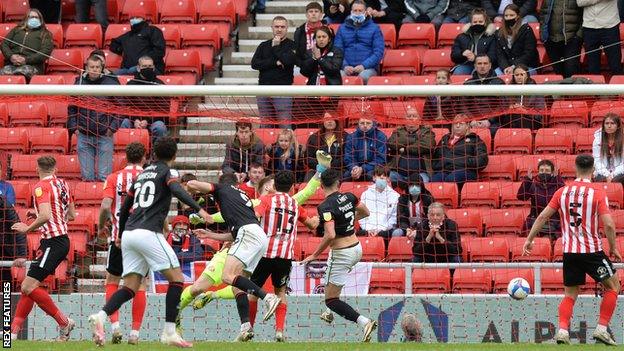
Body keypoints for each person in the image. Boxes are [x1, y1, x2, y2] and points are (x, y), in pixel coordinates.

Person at [178, 151, 332, 340]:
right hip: (263, 251)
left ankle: (246, 326)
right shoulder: (274, 202)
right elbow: (309, 208)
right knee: (209, 288)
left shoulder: (270, 201)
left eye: (270, 185)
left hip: (255, 249)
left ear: (274, 187)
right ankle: (276, 330)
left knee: (242, 287)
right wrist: (208, 226)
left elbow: (252, 213)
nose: (269, 188)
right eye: (266, 186)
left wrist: (204, 218)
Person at [88, 137, 213, 347]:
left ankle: (100, 316)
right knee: (177, 279)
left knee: (130, 286)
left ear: (153, 153)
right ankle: (169, 332)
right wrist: (200, 210)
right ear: (174, 155)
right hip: (148, 232)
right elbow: (177, 190)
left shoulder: (143, 174)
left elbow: (126, 204)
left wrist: (119, 234)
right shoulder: (168, 172)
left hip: (128, 233)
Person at [523, 154, 622, 346]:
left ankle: (562, 332)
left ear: (575, 169)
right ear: (593, 170)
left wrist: (529, 239)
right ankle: (602, 328)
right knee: (613, 286)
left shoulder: (562, 191)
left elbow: (543, 216)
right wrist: (613, 247)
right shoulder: (598, 192)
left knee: (570, 294)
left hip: (569, 251)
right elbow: (609, 225)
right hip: (592, 252)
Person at [177, 173, 282, 342]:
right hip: (258, 237)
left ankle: (267, 297)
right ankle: (245, 327)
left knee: (227, 276)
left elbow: (194, 184)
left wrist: (185, 188)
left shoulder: (222, 189)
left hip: (247, 235)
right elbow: (234, 234)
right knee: (237, 284)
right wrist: (210, 234)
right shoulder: (242, 198)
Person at [301, 169, 377, 342]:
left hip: (342, 253)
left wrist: (314, 255)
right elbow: (365, 212)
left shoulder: (324, 207)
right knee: (331, 274)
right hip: (357, 248)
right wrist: (347, 221)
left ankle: (364, 322)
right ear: (338, 183)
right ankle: (328, 313)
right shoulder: (350, 196)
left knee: (331, 299)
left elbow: (330, 235)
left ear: (321, 186)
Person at [10, 156, 76, 341]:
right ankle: (13, 333)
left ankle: (64, 323)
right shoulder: (63, 184)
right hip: (57, 240)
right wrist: (38, 213)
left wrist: (27, 228)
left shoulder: (40, 187)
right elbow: (71, 215)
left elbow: (47, 215)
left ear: (36, 169)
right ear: (55, 169)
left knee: (28, 286)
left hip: (53, 241)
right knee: (28, 288)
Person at [98, 142, 147, 345]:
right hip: (144, 237)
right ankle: (134, 334)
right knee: (141, 284)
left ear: (125, 157)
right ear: (144, 157)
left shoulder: (113, 177)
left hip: (119, 238)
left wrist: (102, 225)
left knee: (112, 281)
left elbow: (105, 206)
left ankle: (115, 327)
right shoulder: (150, 176)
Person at [67, 54, 120, 181]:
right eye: (92, 67)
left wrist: (111, 129)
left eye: (97, 67)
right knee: (87, 177)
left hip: (104, 135)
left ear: (102, 68)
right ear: (86, 67)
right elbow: (72, 108)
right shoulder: (79, 83)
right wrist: (75, 128)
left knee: (104, 177)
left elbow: (120, 109)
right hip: (84, 135)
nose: (94, 69)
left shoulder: (111, 83)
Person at [251, 16, 297, 127]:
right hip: (263, 90)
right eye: (276, 26)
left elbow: (287, 61)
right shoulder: (263, 45)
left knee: (285, 126)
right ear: (272, 27)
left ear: (287, 28)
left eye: (282, 27)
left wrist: (276, 47)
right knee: (266, 125)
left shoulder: (293, 45)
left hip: (283, 90)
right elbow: (255, 64)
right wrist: (275, 63)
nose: (279, 29)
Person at [334, 0, 385, 84]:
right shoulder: (342, 28)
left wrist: (364, 66)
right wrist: (345, 66)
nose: (357, 13)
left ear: (365, 12)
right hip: (346, 68)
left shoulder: (375, 28)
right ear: (351, 12)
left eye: (360, 11)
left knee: (363, 76)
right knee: (337, 76)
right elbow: (337, 51)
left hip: (368, 68)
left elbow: (378, 52)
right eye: (355, 11)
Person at [121, 56, 168, 142]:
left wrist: (148, 121)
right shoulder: (130, 85)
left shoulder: (160, 85)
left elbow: (163, 109)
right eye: (144, 66)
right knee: (124, 123)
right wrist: (135, 119)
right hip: (133, 120)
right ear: (138, 68)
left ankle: (156, 154)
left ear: (153, 68)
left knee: (160, 127)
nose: (148, 68)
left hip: (154, 120)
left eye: (150, 66)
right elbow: (125, 106)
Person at [432, 114, 489, 183]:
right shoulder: (445, 139)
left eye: (461, 124)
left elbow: (482, 160)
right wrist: (441, 165)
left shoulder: (475, 140)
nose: (457, 126)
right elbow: (435, 157)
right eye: (455, 123)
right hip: (446, 170)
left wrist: (457, 162)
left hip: (466, 171)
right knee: (434, 180)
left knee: (451, 178)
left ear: (467, 126)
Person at [517, 159, 565, 240]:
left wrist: (558, 179)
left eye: (547, 170)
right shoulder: (533, 184)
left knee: (547, 240)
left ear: (552, 172)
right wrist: (527, 180)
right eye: (541, 170)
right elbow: (521, 196)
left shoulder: (556, 184)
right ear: (538, 171)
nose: (544, 172)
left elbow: (564, 196)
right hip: (534, 220)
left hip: (553, 221)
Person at [0, 9, 53, 80]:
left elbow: (45, 52)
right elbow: (4, 43)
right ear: (26, 19)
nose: (34, 19)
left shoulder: (45, 34)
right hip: (11, 64)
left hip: (32, 67)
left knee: (19, 74)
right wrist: (11, 56)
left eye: (36, 17)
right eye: (31, 17)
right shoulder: (16, 30)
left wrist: (26, 60)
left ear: (40, 19)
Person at [387, 108, 436, 183]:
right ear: (404, 119)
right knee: (383, 181)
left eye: (414, 116)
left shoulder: (427, 132)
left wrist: (405, 149)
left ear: (419, 119)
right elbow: (391, 143)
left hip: (421, 174)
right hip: (397, 174)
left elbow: (427, 145)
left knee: (423, 185)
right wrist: (414, 139)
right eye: (409, 116)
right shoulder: (398, 131)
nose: (411, 118)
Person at [539, 0, 582, 78]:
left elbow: (584, 16)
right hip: (551, 40)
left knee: (571, 71)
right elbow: (543, 14)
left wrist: (578, 36)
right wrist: (543, 34)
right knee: (558, 73)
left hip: (571, 40)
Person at [357, 166, 402, 241]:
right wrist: (368, 229)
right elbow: (361, 216)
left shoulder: (395, 196)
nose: (381, 178)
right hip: (366, 230)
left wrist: (380, 230)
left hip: (385, 231)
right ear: (374, 177)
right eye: (379, 175)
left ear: (388, 179)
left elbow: (393, 219)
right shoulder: (365, 194)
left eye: (384, 176)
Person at [578, 0, 621, 75]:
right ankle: (595, 86)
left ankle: (618, 86)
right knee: (592, 67)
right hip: (589, 27)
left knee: (615, 65)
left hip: (610, 26)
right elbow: (580, 2)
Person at [494, 4, 539, 76]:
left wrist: (514, 67)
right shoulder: (499, 33)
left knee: (519, 76)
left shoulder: (526, 30)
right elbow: (500, 55)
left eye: (511, 15)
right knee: (495, 74)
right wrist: (505, 67)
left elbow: (529, 53)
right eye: (506, 16)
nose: (508, 18)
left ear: (518, 16)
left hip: (527, 66)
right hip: (507, 67)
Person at [463, 54, 506, 128]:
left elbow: (502, 105)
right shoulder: (468, 84)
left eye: (485, 63)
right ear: (475, 66)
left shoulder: (499, 83)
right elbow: (463, 105)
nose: (482, 66)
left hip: (493, 123)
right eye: (479, 63)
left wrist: (489, 121)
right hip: (471, 122)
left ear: (490, 65)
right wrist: (471, 120)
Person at [451, 8, 497, 75]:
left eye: (480, 22)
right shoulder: (462, 36)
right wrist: (462, 54)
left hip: (483, 66)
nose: (477, 24)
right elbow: (453, 56)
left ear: (485, 22)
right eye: (475, 22)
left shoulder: (491, 37)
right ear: (471, 23)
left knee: (476, 74)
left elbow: (493, 57)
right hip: (466, 64)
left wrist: (475, 58)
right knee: (458, 72)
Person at [305, 113, 348, 180]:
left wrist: (331, 166)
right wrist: (320, 166)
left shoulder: (345, 136)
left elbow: (346, 157)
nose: (330, 121)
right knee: (309, 176)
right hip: (317, 170)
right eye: (327, 119)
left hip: (337, 170)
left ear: (336, 121)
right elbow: (308, 158)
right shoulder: (314, 137)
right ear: (322, 121)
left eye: (332, 119)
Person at [501, 64, 544, 129]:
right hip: (511, 119)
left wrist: (526, 112)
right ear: (513, 76)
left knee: (519, 118)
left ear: (527, 75)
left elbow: (540, 114)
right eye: (517, 75)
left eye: (522, 74)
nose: (519, 77)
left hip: (531, 121)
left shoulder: (536, 90)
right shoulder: (508, 90)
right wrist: (510, 109)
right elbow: (502, 110)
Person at [344, 116, 387, 181]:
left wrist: (363, 168)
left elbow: (380, 159)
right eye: (362, 123)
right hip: (356, 167)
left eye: (368, 123)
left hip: (374, 168)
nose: (365, 125)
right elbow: (349, 157)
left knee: (370, 175)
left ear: (373, 124)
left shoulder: (380, 136)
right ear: (358, 124)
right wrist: (354, 167)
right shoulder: (351, 137)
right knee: (347, 175)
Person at [0, 194, 25, 289]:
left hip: (3, 249)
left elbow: (18, 227)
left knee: (5, 280)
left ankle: (7, 303)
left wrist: (21, 255)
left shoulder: (4, 204)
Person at [593, 113, 624, 183]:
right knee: (600, 179)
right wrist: (607, 174)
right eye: (606, 123)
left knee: (618, 179)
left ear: (618, 125)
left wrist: (613, 175)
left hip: (619, 171)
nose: (609, 126)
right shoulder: (597, 140)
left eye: (612, 123)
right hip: (602, 171)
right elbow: (597, 161)